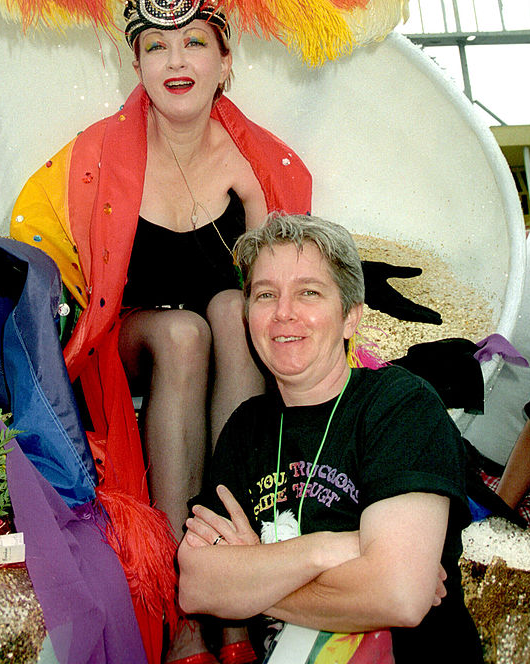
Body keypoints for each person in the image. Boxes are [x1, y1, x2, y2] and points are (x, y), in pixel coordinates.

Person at [0, 0, 434, 664]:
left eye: (193, 42)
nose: (174, 59)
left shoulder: (266, 165)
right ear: (134, 62)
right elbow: (44, 261)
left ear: (223, 59)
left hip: (230, 364)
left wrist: (357, 282)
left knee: (221, 314)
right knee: (179, 328)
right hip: (130, 347)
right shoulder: (90, 160)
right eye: (156, 45)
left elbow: (280, 280)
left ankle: (230, 556)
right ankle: (186, 596)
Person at [178, 213, 483, 663]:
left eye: (309, 292)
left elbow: (399, 594)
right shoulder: (247, 428)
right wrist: (337, 547)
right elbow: (197, 586)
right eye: (265, 294)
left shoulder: (400, 405)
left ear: (350, 317)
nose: (284, 312)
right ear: (247, 318)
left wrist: (253, 571)